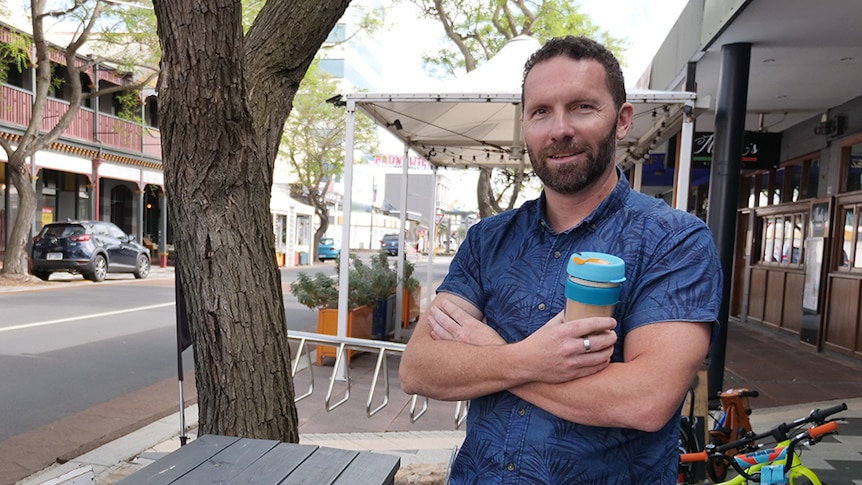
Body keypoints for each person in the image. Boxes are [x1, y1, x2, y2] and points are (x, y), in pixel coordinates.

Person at [399, 35, 722, 484]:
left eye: (583, 107)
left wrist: (492, 356)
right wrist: (528, 360)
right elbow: (418, 368)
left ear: (622, 120)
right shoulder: (487, 240)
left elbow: (646, 400)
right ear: (526, 124)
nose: (560, 129)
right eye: (541, 112)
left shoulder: (675, 241)